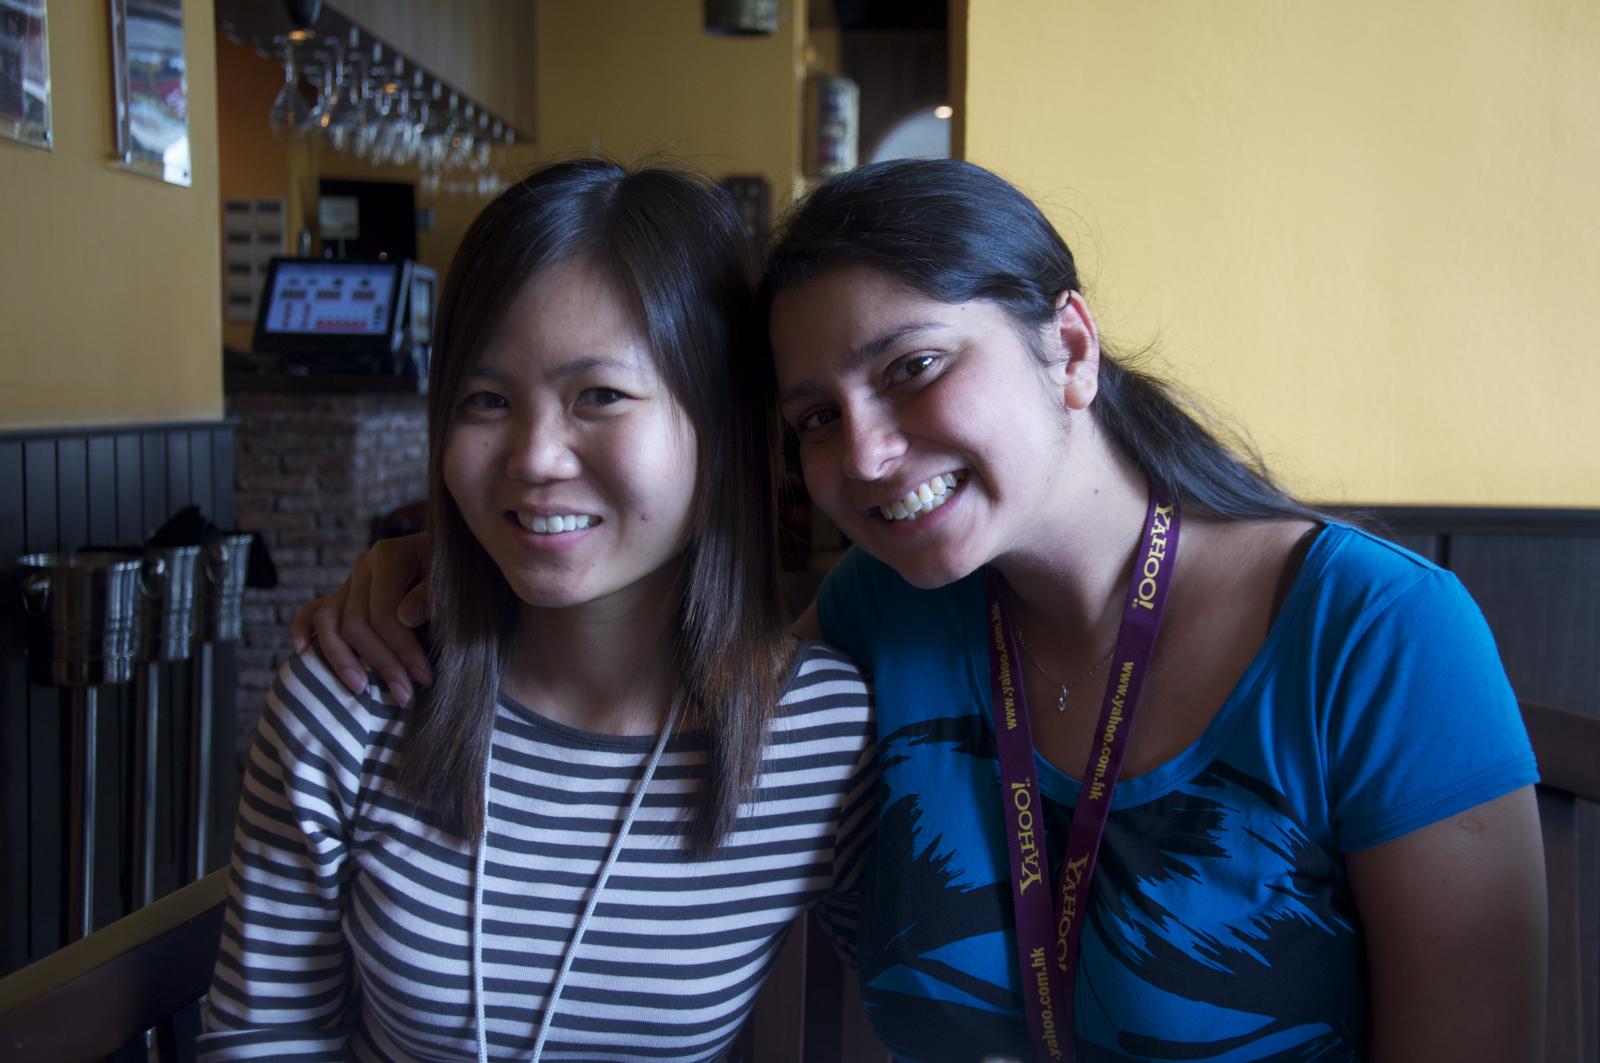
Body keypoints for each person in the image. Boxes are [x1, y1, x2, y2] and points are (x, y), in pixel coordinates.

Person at [299, 159, 1547, 1061]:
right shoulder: (883, 619)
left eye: (912, 368)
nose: (873, 455)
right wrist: (419, 570)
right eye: (814, 420)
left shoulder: (1376, 637)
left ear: (1067, 346)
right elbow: (658, 628)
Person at [201, 159, 876, 1062]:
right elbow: (265, 1032)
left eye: (598, 395)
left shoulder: (822, 736)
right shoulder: (352, 698)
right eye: (487, 400)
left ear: (725, 423)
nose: (533, 457)